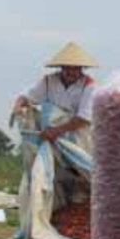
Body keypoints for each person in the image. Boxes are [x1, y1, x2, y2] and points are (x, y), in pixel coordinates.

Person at [11, 41, 97, 211]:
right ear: (61, 68)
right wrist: (18, 106)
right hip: (49, 136)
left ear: (82, 69)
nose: (71, 72)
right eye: (67, 68)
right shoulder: (49, 82)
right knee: (47, 172)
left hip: (77, 135)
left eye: (75, 68)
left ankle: (82, 201)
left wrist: (56, 131)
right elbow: (27, 97)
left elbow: (83, 118)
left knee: (80, 170)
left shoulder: (89, 86)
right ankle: (50, 207)